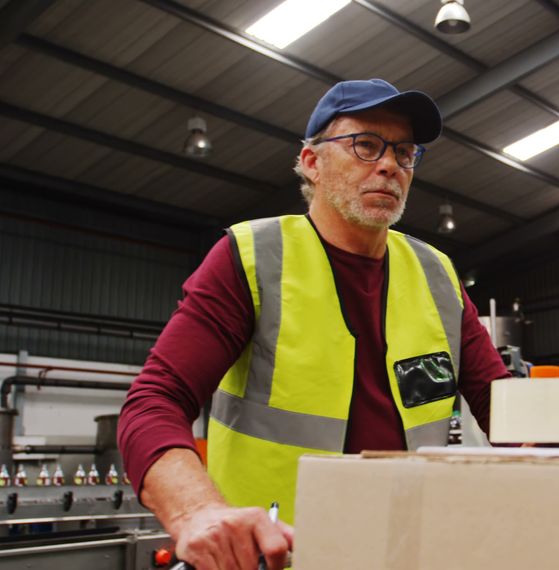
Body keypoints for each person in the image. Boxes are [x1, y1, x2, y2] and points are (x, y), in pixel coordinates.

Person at [118, 79, 509, 570]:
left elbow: (503, 406)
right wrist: (198, 512)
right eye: (366, 145)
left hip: (408, 550)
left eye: (405, 153)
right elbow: (154, 402)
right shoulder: (254, 258)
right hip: (277, 556)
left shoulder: (436, 275)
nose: (389, 165)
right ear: (311, 162)